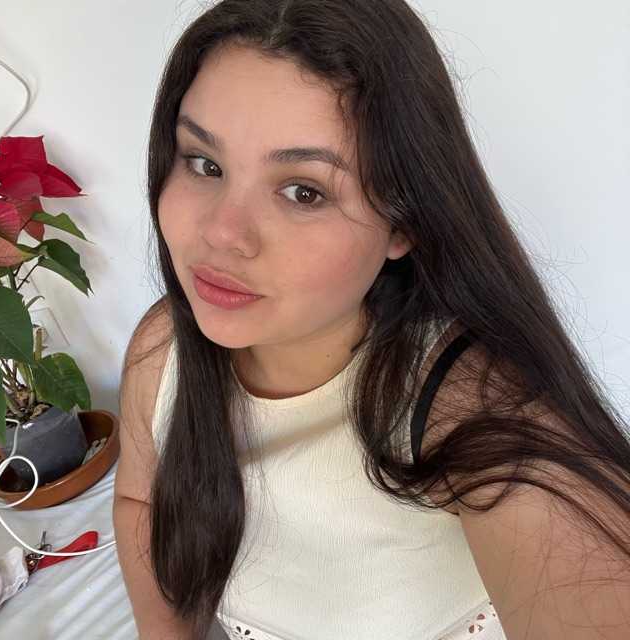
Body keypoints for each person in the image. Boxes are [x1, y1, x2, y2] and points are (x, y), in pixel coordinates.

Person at [113, 1, 630, 639]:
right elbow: (140, 502)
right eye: (204, 164)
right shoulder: (163, 348)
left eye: (304, 191)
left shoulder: (470, 413)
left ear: (403, 223)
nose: (221, 233)